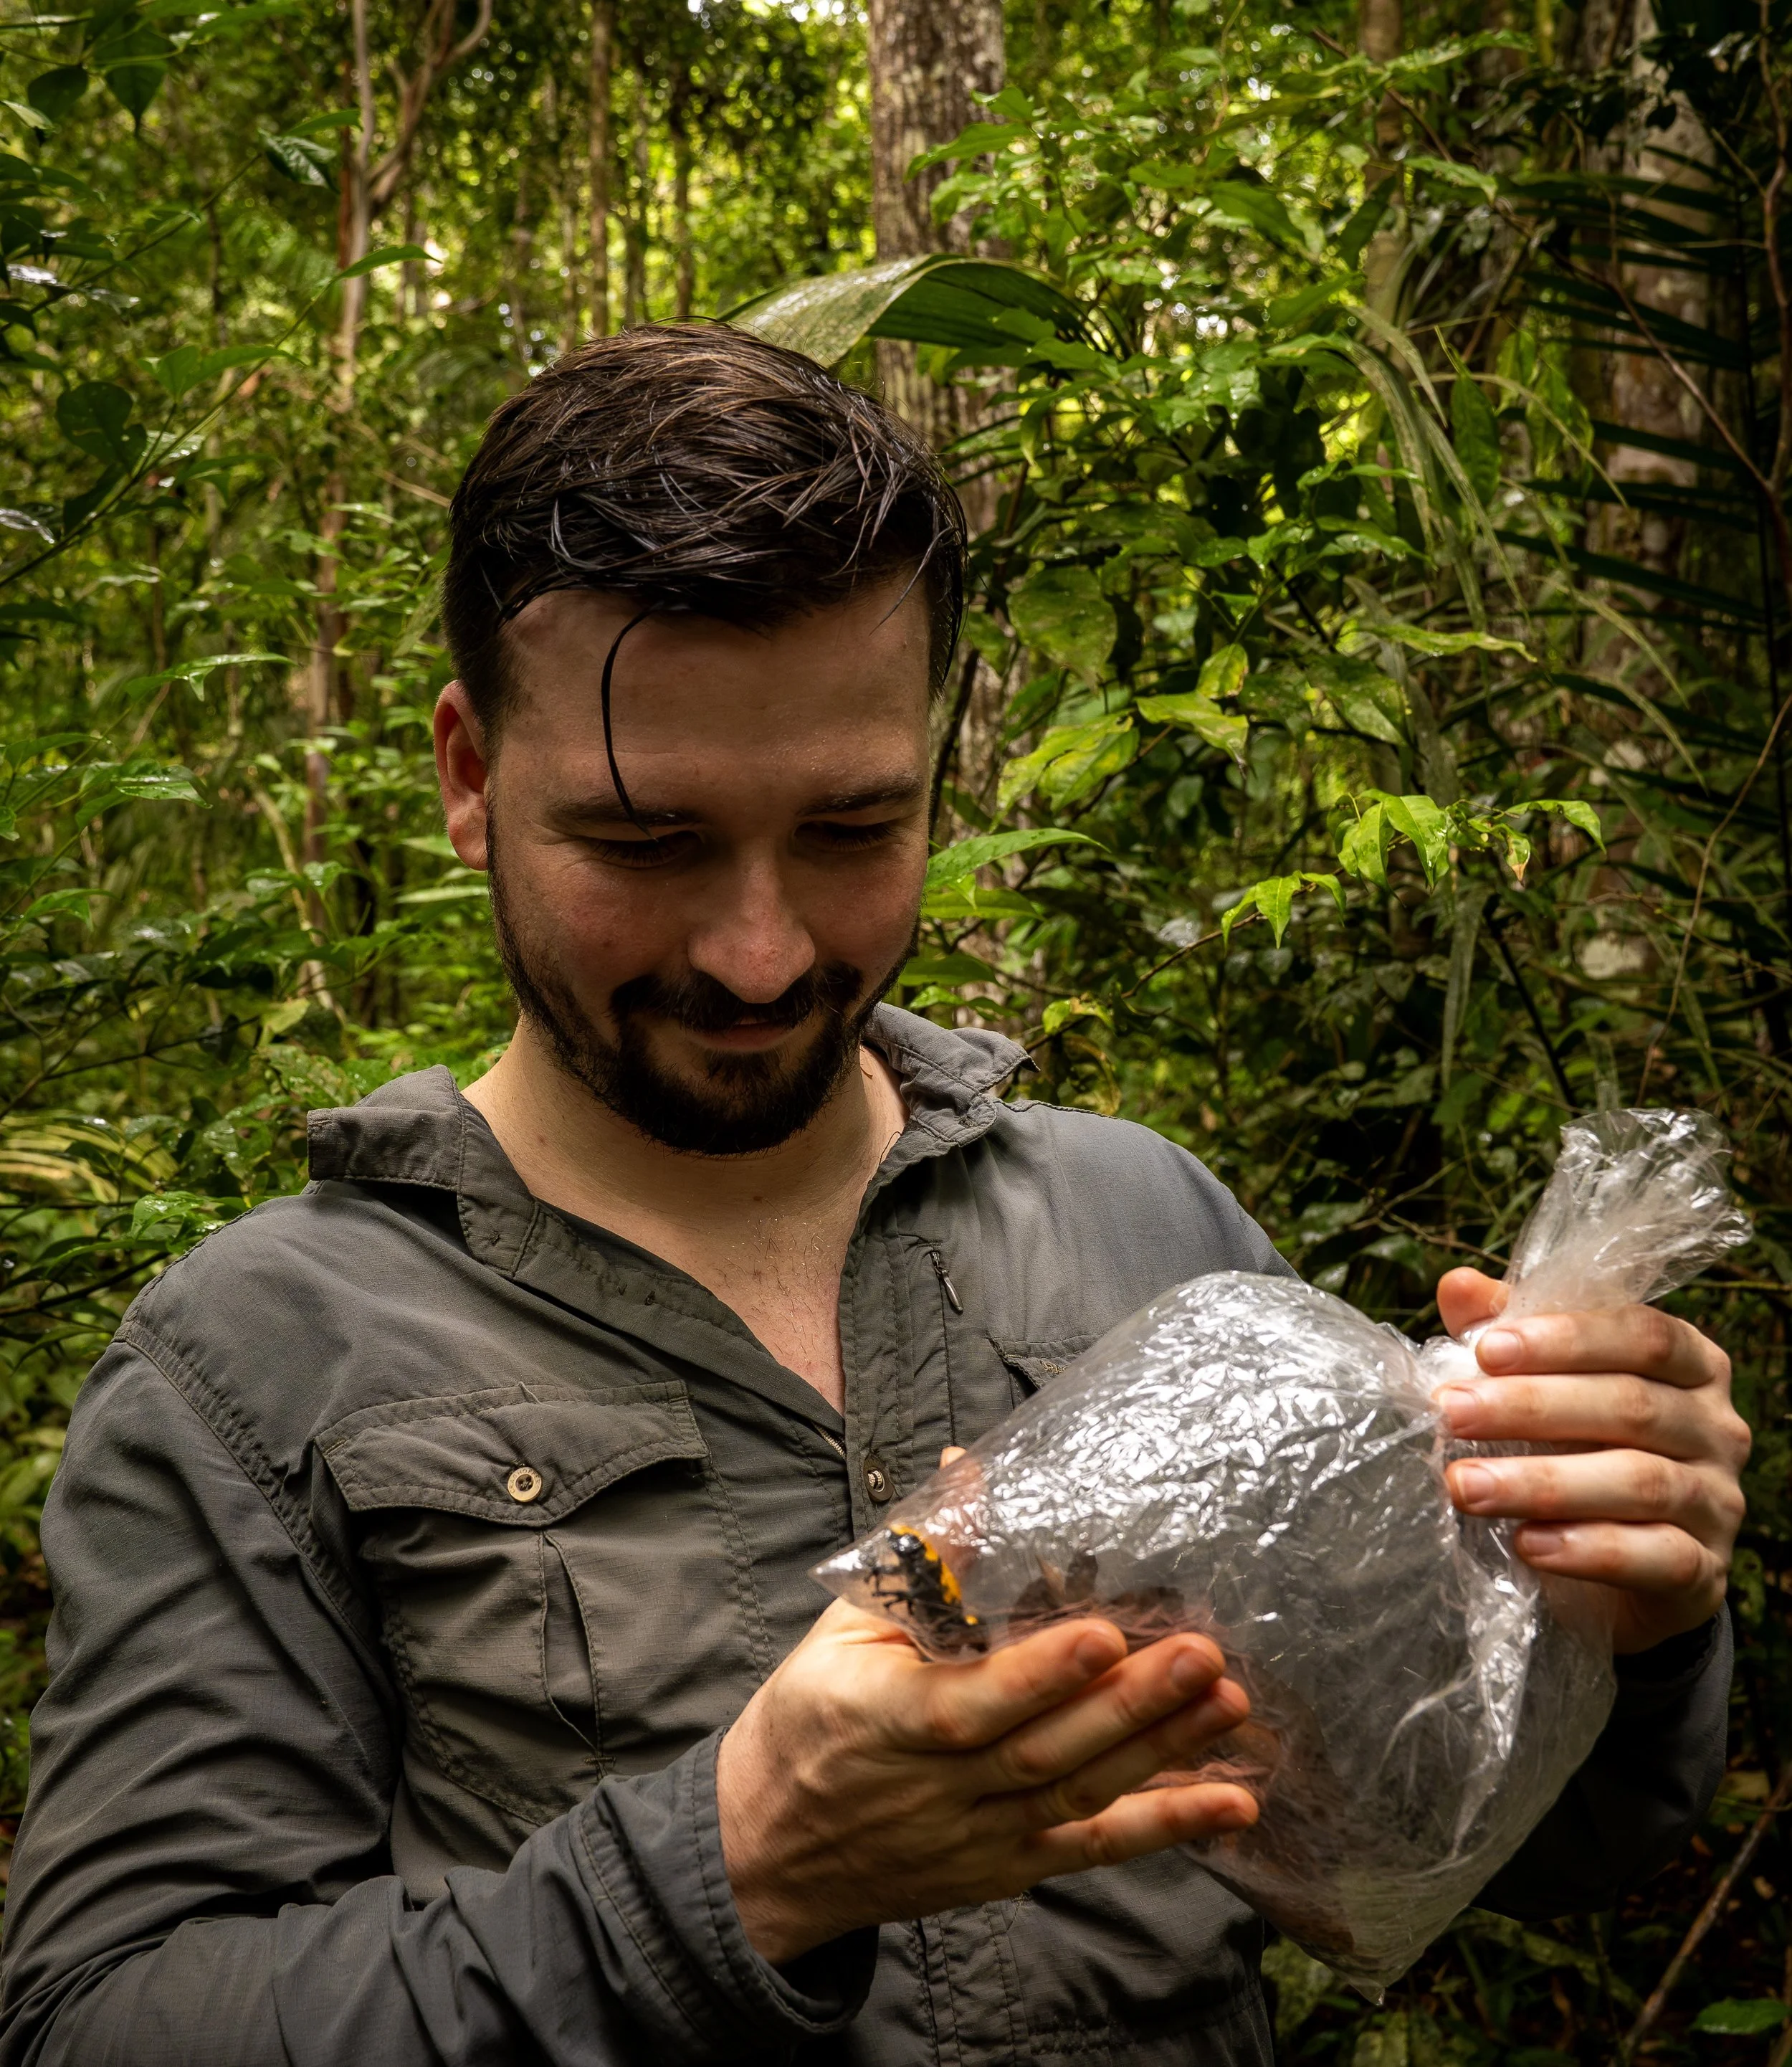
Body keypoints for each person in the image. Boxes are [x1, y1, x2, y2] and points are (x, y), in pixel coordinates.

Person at [0, 325, 1747, 2067]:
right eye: (643, 842)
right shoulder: (258, 1358)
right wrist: (734, 1870)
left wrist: (1621, 1612)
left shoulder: (1149, 1229)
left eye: (850, 830)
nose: (760, 954)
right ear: (469, 777)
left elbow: (1505, 1849)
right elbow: (109, 2018)